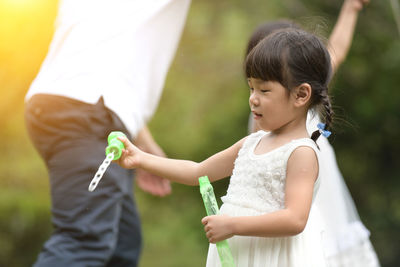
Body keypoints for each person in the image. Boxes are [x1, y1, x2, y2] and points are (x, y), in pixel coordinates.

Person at [116, 28, 334, 267]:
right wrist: (140, 158)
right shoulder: (252, 143)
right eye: (251, 88)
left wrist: (232, 225)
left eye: (264, 90)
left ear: (301, 95)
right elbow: (197, 172)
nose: (253, 98)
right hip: (237, 257)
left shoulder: (301, 152)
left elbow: (295, 219)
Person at [24, 0, 191, 266]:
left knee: (122, 246)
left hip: (65, 104)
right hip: (88, 112)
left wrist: (144, 143)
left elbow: (104, 59)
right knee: (84, 240)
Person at [246, 1, 380, 266]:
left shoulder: (301, 99)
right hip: (304, 224)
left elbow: (336, 52)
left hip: (333, 216)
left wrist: (351, 8)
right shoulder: (268, 118)